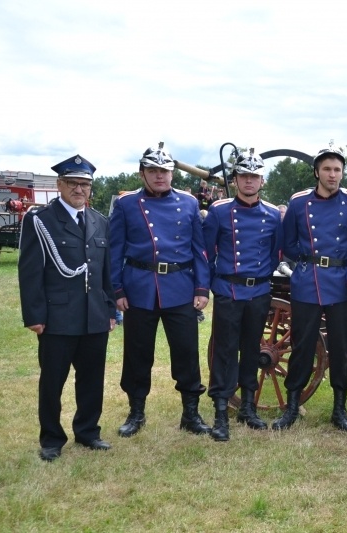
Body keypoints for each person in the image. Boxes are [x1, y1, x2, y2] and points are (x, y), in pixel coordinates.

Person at [110, 142, 212, 438]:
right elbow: (115, 251)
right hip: (139, 288)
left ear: (172, 174)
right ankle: (136, 412)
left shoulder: (189, 203)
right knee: (137, 354)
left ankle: (190, 414)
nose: (159, 176)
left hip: (180, 288)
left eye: (164, 171)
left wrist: (201, 288)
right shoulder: (127, 204)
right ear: (142, 173)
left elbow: (199, 250)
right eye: (153, 170)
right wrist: (117, 290)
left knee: (186, 353)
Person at [19, 155, 116, 461]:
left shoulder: (100, 221)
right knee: (52, 382)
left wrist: (110, 310)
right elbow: (30, 272)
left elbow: (105, 272)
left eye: (84, 184)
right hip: (57, 317)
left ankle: (88, 432)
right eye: (73, 183)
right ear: (59, 184)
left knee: (92, 380)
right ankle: (51, 438)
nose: (79, 189)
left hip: (94, 316)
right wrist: (34, 316)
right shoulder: (41, 221)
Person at [271, 142, 347, 432]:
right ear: (316, 172)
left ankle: (339, 408)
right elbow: (288, 243)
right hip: (308, 281)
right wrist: (308, 261)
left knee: (341, 347)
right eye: (327, 169)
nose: (332, 175)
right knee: (302, 345)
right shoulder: (299, 203)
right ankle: (292, 406)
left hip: (341, 282)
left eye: (337, 169)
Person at [202, 148, 282, 441]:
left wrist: (257, 277)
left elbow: (275, 254)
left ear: (262, 180)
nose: (249, 181)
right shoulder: (219, 211)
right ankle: (221, 412)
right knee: (224, 350)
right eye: (244, 175)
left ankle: (248, 407)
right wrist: (213, 284)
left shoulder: (272, 215)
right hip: (228, 289)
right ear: (235, 179)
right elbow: (206, 252)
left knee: (252, 348)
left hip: (258, 290)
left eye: (254, 176)